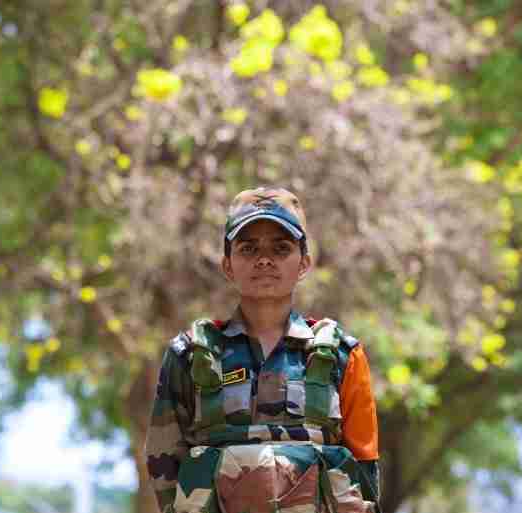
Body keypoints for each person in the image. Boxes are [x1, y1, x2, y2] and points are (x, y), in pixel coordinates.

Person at [145, 187, 381, 513]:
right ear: (228, 265)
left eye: (281, 248)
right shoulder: (191, 354)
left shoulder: (341, 355)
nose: (265, 259)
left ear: (304, 263)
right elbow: (165, 468)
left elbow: (364, 473)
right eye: (248, 248)